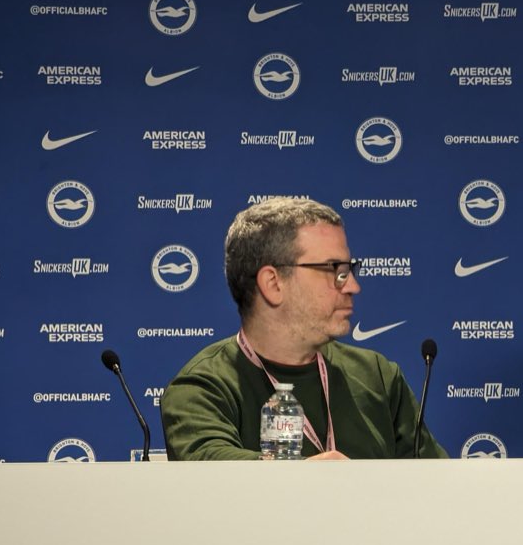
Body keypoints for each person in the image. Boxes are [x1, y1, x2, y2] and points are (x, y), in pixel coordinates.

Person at [161, 197, 447, 460]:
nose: (352, 286)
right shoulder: (202, 388)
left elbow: (435, 486)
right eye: (334, 270)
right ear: (273, 284)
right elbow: (209, 475)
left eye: (349, 271)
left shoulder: (378, 376)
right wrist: (313, 476)